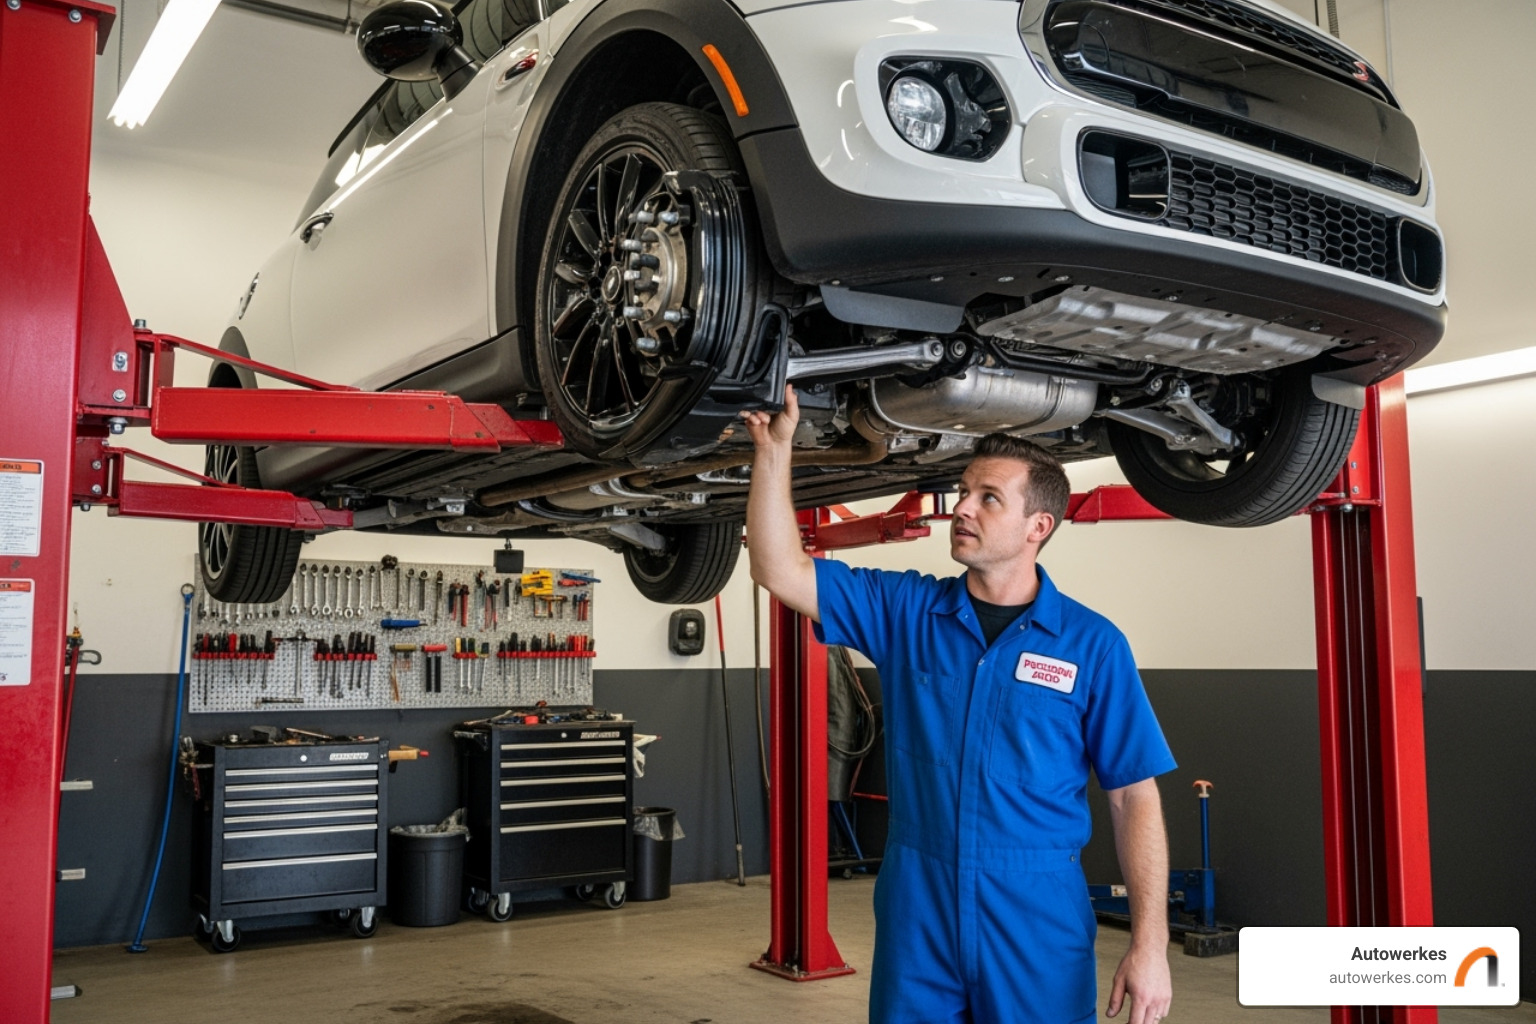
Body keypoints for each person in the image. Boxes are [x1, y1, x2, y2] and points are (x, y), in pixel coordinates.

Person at [742, 385, 1177, 1024]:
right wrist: (775, 453)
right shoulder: (908, 612)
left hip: (1036, 916)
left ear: (1038, 527)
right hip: (919, 905)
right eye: (965, 492)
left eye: (987, 498)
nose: (962, 509)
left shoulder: (1093, 646)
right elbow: (780, 569)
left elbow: (1133, 795)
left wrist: (1151, 944)